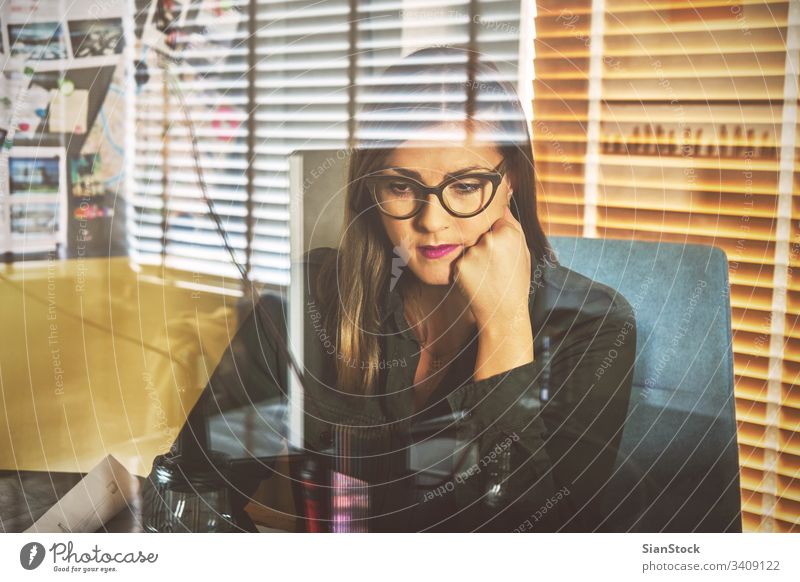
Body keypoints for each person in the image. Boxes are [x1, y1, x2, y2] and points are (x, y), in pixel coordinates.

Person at [143, 47, 637, 533]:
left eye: (465, 186)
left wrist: (505, 326)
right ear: (370, 189)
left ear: (512, 181)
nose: (432, 222)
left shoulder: (592, 326)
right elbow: (191, 483)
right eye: (401, 187)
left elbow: (543, 542)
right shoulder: (313, 298)